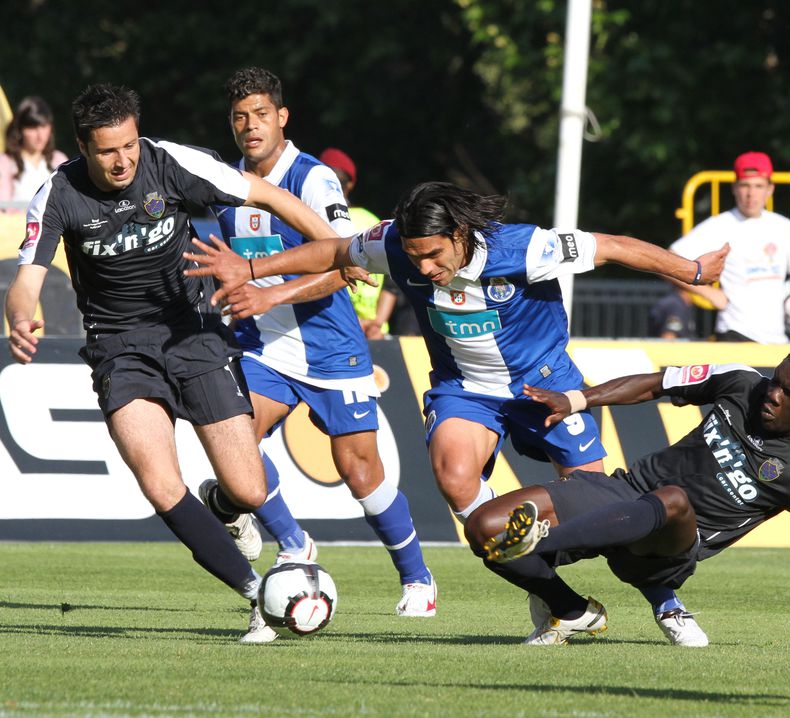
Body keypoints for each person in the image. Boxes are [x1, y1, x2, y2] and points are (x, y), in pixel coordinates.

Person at [183, 181, 729, 546]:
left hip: (544, 383)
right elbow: (335, 252)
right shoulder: (393, 242)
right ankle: (533, 569)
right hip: (464, 389)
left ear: (461, 236)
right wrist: (252, 269)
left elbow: (610, 246)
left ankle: (665, 602)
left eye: (433, 255)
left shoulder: (525, 248)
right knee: (455, 478)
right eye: (414, 256)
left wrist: (692, 272)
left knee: (596, 509)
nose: (423, 267)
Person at [3, 83, 343, 640]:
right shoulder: (57, 193)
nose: (123, 161)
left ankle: (224, 505)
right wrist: (20, 318)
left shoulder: (170, 161)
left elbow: (267, 195)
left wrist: (337, 247)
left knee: (250, 491)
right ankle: (257, 595)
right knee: (160, 484)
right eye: (108, 151)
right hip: (120, 348)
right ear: (82, 148)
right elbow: (27, 280)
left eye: (129, 145)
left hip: (194, 335)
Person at [206, 68, 435, 643]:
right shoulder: (226, 184)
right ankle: (293, 542)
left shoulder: (313, 179)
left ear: (282, 118)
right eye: (239, 117)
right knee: (234, 443)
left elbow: (346, 264)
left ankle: (417, 577)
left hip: (331, 348)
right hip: (262, 346)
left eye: (261, 114)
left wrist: (268, 292)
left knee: (360, 472)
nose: (250, 126)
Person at [462, 346, 790, 651]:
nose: (773, 395)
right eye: (775, 381)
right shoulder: (741, 382)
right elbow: (656, 384)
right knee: (485, 528)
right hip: (627, 492)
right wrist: (577, 400)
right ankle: (570, 609)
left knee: (673, 500)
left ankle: (541, 542)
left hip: (667, 552)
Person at [670, 151, 790, 344]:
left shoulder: (781, 226)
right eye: (745, 185)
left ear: (770, 189)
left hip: (776, 340)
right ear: (734, 188)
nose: (751, 194)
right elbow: (670, 260)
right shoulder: (720, 225)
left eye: (758, 186)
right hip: (734, 334)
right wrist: (709, 293)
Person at [320, 146, 394, 339]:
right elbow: (392, 281)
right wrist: (377, 323)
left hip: (332, 328)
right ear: (351, 184)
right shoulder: (374, 222)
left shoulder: (314, 220)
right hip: (373, 332)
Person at [0, 96, 68, 206]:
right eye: (32, 128)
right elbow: (3, 206)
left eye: (44, 126)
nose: (40, 135)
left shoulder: (59, 160)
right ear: (19, 130)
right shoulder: (5, 163)